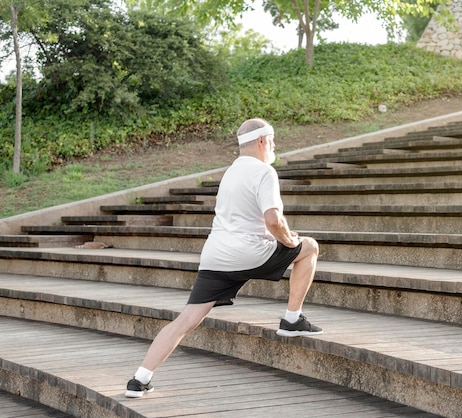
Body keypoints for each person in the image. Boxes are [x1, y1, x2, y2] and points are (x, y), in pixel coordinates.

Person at [125, 118, 322, 398]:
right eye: (274, 140)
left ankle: (139, 379)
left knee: (186, 320)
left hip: (216, 257)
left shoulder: (230, 172)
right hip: (249, 254)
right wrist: (291, 241)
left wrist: (283, 236)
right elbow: (273, 219)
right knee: (310, 246)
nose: (275, 146)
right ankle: (292, 319)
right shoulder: (264, 172)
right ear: (262, 141)